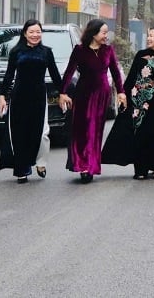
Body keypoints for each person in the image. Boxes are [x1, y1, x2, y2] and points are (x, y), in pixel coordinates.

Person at [101, 26, 154, 180]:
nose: (148, 38)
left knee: (151, 132)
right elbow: (131, 77)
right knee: (137, 133)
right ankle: (140, 169)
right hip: (136, 100)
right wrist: (123, 95)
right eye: (148, 35)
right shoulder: (141, 55)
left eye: (151, 35)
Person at [60, 19, 126, 184]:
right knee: (82, 130)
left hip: (102, 96)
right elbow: (69, 72)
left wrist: (121, 92)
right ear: (93, 33)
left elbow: (116, 73)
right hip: (83, 94)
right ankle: (81, 164)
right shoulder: (80, 50)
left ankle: (90, 166)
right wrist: (62, 92)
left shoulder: (108, 50)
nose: (106, 36)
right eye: (103, 32)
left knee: (95, 131)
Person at [0, 19, 63, 183]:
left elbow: (55, 75)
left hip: (39, 98)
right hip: (19, 97)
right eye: (31, 32)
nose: (35, 35)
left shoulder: (46, 52)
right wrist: (2, 96)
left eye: (38, 32)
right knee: (20, 133)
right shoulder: (16, 52)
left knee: (41, 134)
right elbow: (9, 75)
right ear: (25, 33)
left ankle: (41, 162)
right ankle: (22, 168)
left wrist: (63, 92)